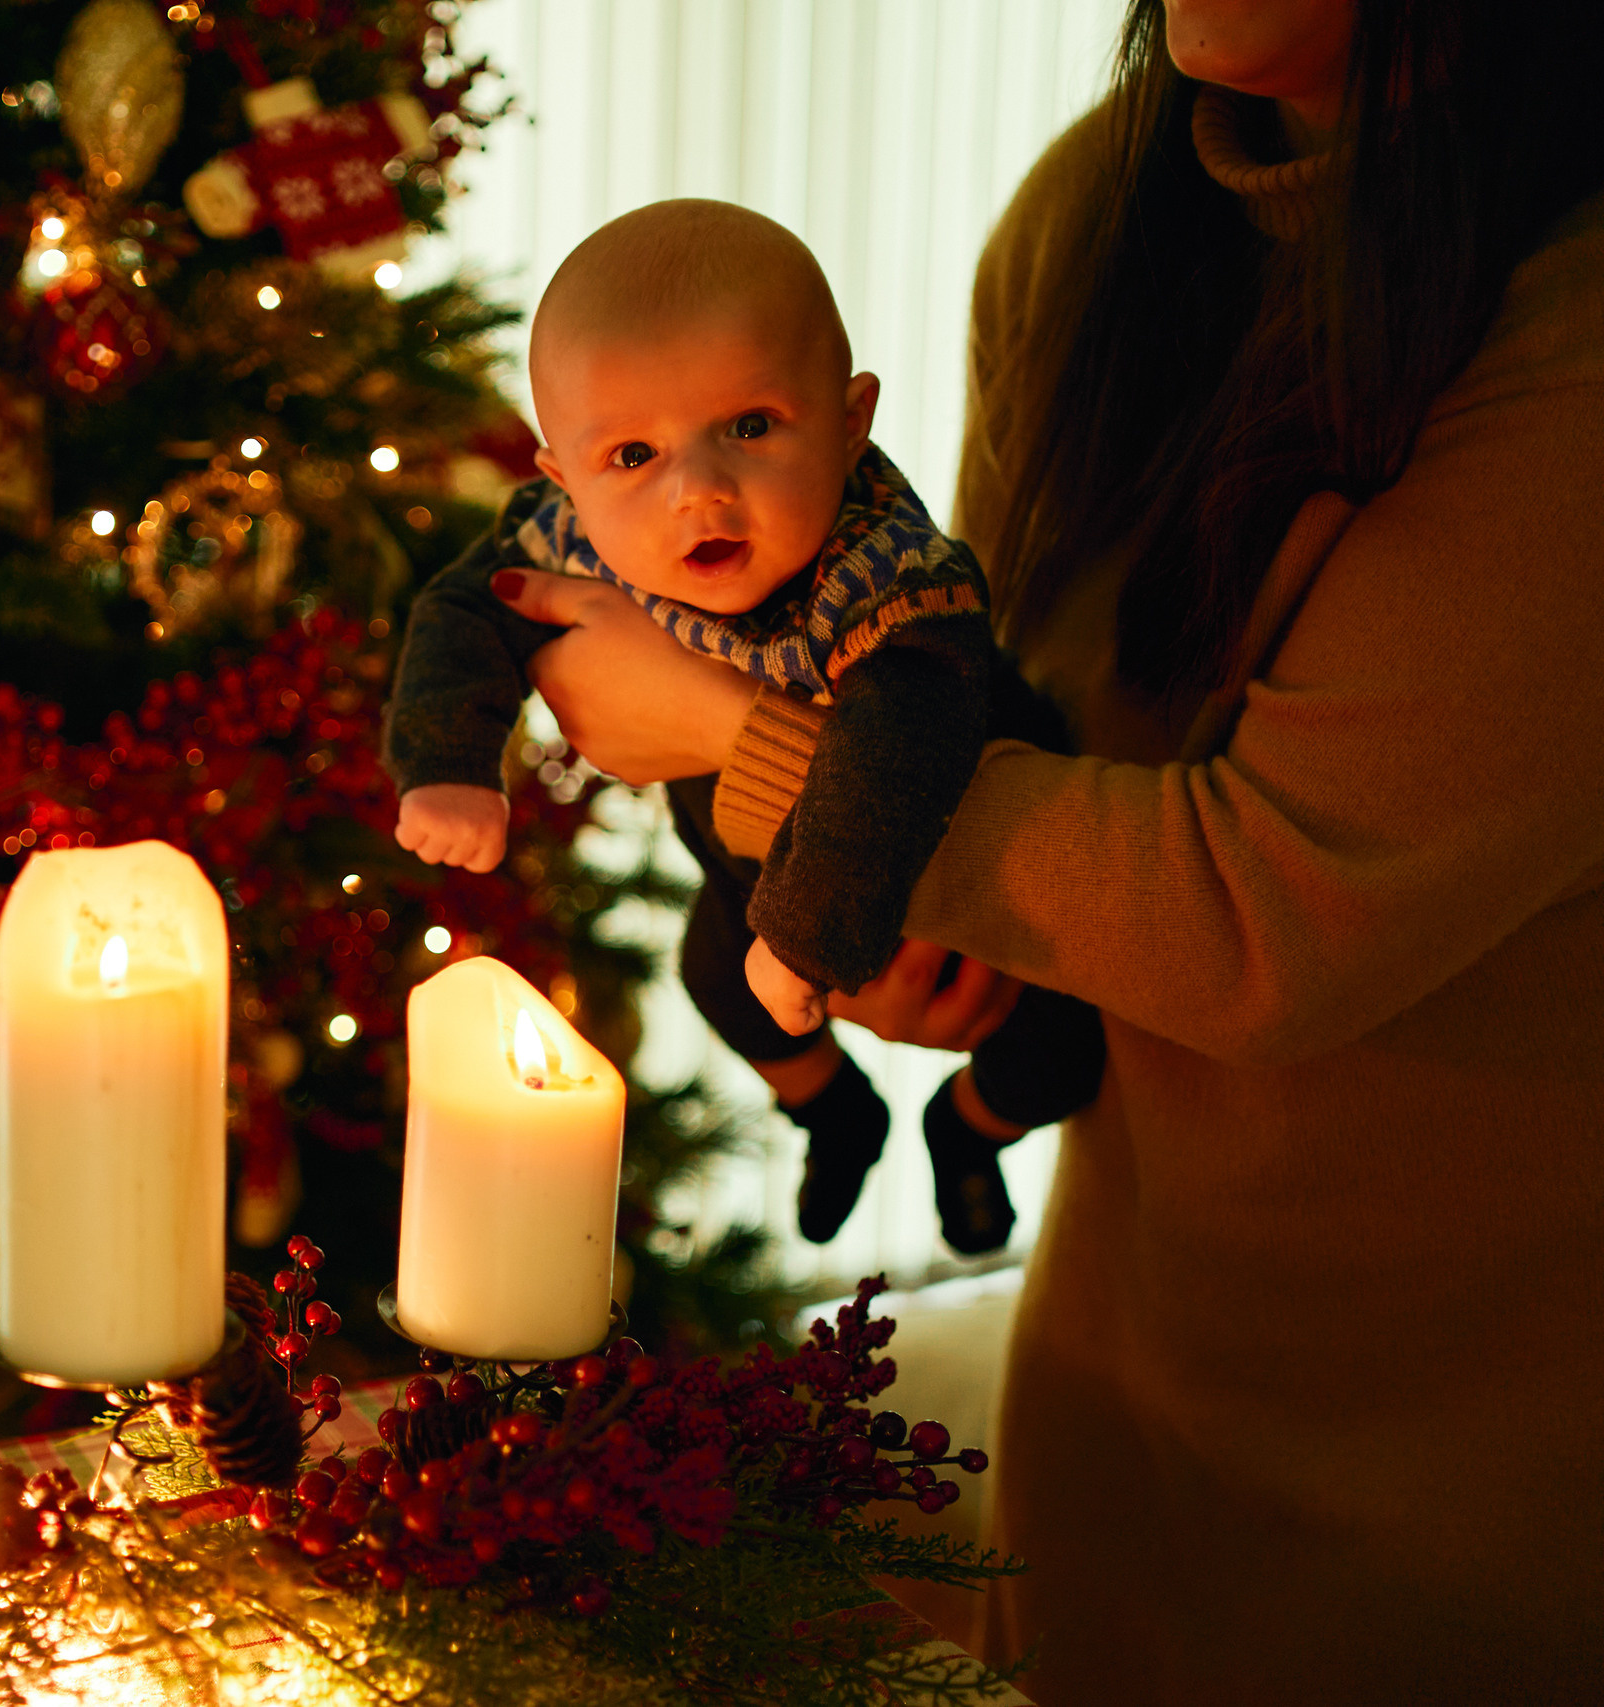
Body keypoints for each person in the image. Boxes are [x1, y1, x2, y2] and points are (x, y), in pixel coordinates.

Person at [487, 1, 1604, 1699]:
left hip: (1462, 1466)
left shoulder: (1565, 338)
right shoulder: (1110, 204)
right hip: (1120, 1359)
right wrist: (920, 924)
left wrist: (728, 731)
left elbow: (1259, 914)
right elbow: (993, 712)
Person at [383, 202, 1103, 1256]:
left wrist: (809, 928)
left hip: (974, 870)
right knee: (717, 977)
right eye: (633, 453)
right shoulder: (567, 534)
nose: (698, 491)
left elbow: (898, 748)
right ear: (563, 478)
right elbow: (464, 608)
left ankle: (967, 1131)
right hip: (747, 873)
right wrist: (448, 763)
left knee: (1059, 1053)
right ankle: (833, 1113)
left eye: (751, 427)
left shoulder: (891, 578)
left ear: (850, 422)